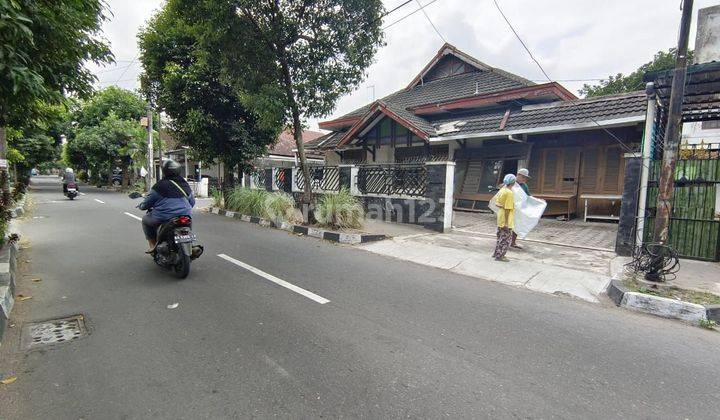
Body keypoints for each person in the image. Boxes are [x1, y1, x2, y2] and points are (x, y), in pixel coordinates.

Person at [138, 159, 195, 253]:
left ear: (164, 171)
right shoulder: (185, 185)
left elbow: (146, 204)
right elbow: (192, 202)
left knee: (145, 220)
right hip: (185, 214)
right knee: (188, 223)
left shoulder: (159, 186)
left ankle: (152, 245)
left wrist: (141, 206)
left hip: (164, 216)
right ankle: (191, 245)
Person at [493, 174, 516, 262]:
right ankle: (500, 256)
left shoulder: (502, 190)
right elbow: (507, 209)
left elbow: (496, 203)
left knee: (500, 237)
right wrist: (506, 223)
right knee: (506, 238)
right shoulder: (509, 193)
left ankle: (496, 253)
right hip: (506, 218)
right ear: (513, 182)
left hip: (500, 216)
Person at [511, 168, 531, 249]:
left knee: (517, 226)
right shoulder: (510, 183)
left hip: (519, 210)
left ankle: (513, 242)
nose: (525, 179)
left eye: (526, 178)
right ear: (518, 175)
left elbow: (528, 197)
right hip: (509, 208)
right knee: (506, 226)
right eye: (523, 177)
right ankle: (503, 242)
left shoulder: (524, 186)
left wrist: (538, 202)